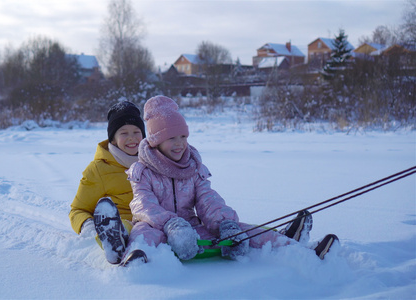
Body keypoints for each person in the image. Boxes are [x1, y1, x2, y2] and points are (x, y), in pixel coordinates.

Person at [126, 95, 339, 262]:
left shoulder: (193, 167)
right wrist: (171, 224)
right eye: (171, 138)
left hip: (191, 230)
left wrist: (225, 223)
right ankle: (135, 261)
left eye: (183, 137)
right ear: (155, 141)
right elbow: (143, 205)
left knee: (245, 230)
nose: (180, 143)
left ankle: (300, 251)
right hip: (158, 227)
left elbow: (207, 198)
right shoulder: (143, 171)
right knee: (143, 234)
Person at [69, 101, 148, 266]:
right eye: (124, 133)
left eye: (136, 131)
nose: (132, 138)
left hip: (152, 224)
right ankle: (116, 243)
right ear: (112, 138)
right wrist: (88, 227)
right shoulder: (98, 169)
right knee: (127, 228)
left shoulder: (153, 163)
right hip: (122, 225)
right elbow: (78, 209)